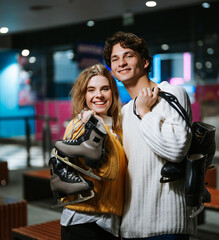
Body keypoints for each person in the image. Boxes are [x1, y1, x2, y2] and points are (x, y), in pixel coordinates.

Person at [103, 32, 195, 239]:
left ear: (145, 62)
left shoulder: (171, 93)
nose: (121, 62)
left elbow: (177, 148)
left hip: (167, 224)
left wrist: (145, 113)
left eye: (129, 55)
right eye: (115, 59)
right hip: (131, 224)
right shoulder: (125, 112)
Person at [58, 64, 126, 240]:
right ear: (84, 95)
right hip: (85, 222)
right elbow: (109, 172)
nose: (99, 95)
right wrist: (97, 132)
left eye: (105, 88)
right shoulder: (80, 124)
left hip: (107, 221)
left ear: (113, 93)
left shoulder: (115, 128)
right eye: (91, 90)